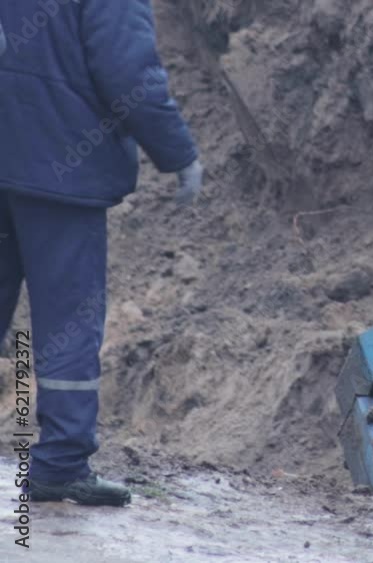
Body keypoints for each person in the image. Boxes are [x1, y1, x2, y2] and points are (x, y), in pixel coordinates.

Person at [0, 1, 203, 506]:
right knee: (69, 321)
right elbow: (126, 70)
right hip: (61, 172)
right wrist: (178, 152)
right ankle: (60, 466)